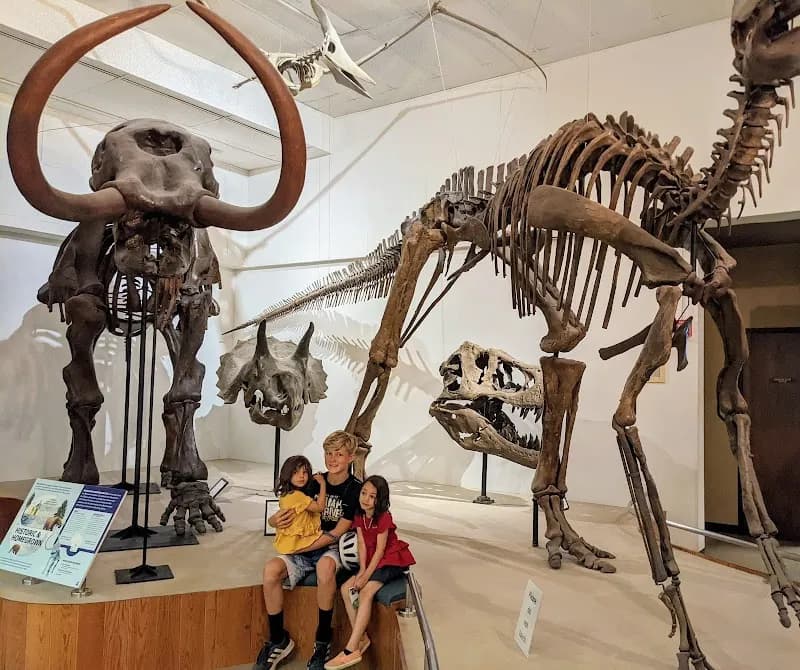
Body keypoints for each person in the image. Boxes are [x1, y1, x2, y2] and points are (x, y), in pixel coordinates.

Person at [253, 431, 362, 670]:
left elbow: (339, 530)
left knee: (325, 568)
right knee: (271, 571)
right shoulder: (312, 480)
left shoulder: (355, 489)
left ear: (351, 457)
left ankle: (323, 641)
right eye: (328, 453)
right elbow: (288, 505)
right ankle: (278, 640)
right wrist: (273, 521)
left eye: (339, 454)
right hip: (303, 548)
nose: (332, 459)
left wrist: (305, 546)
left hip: (329, 547)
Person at [325, 475, 415, 670]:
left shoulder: (384, 517)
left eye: (372, 496)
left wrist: (366, 577)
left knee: (365, 592)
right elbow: (362, 545)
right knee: (346, 589)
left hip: (389, 560)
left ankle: (351, 649)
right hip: (372, 560)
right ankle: (362, 638)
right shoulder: (360, 514)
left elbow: (381, 550)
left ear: (380, 499)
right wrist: (362, 571)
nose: (366, 499)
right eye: (364, 493)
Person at [273, 455, 326, 555]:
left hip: (288, 541)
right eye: (295, 472)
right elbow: (320, 507)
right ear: (287, 474)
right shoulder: (297, 496)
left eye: (305, 472)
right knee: (329, 539)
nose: (301, 476)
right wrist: (323, 484)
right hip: (298, 542)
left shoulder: (286, 495)